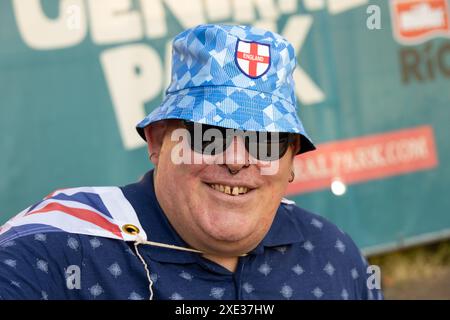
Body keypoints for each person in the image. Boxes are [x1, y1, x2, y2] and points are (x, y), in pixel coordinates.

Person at [0, 24, 382, 300]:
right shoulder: (49, 253)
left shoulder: (332, 253)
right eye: (207, 134)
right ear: (157, 140)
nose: (236, 160)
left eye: (267, 140)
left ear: (291, 159)